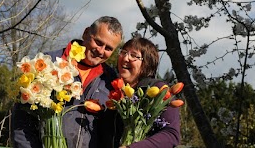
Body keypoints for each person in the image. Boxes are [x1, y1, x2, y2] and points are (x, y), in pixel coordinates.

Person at [11, 16, 123, 148]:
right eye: (98, 42)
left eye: (108, 48)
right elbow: (21, 121)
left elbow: (108, 135)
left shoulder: (110, 81)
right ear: (86, 33)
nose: (100, 51)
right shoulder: (46, 64)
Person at [116, 37, 181, 148]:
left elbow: (171, 134)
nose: (125, 58)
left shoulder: (158, 90)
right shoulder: (112, 88)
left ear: (146, 63)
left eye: (133, 55)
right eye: (123, 52)